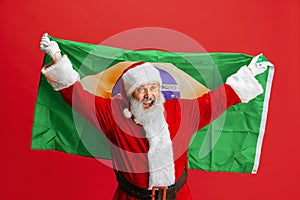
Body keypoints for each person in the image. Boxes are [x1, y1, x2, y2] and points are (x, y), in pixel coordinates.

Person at [40, 33, 266, 200]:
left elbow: (217, 101)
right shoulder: (113, 114)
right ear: (130, 94)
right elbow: (77, 97)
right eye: (141, 89)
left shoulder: (181, 111)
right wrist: (57, 57)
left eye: (153, 88)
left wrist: (247, 76)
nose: (149, 95)